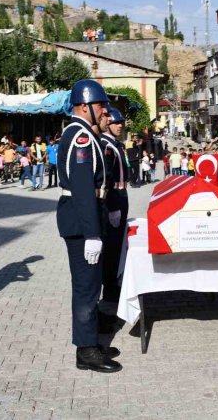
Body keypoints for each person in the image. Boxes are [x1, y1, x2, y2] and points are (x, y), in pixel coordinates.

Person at [56, 79, 121, 373]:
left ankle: (91, 338)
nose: (104, 109)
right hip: (82, 222)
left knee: (90, 286)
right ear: (84, 107)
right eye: (100, 105)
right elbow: (82, 188)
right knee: (85, 288)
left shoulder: (82, 133)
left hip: (87, 217)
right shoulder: (80, 136)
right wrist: (92, 234)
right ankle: (86, 350)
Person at [99, 107, 129, 312]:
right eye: (116, 123)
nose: (120, 126)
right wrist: (112, 208)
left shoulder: (115, 144)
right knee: (111, 246)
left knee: (117, 245)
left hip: (122, 195)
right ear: (107, 123)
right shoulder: (106, 145)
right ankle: (109, 290)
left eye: (121, 123)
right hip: (115, 197)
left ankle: (113, 284)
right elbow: (106, 178)